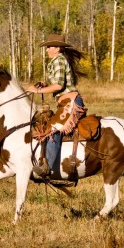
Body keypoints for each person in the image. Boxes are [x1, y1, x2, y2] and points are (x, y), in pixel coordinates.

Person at [26, 34, 86, 178]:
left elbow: (59, 86)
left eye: (49, 47)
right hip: (65, 102)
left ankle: (47, 168)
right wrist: (45, 84)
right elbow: (56, 83)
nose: (47, 50)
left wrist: (38, 90)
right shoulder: (56, 61)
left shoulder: (59, 60)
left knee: (53, 129)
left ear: (57, 48)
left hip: (70, 102)